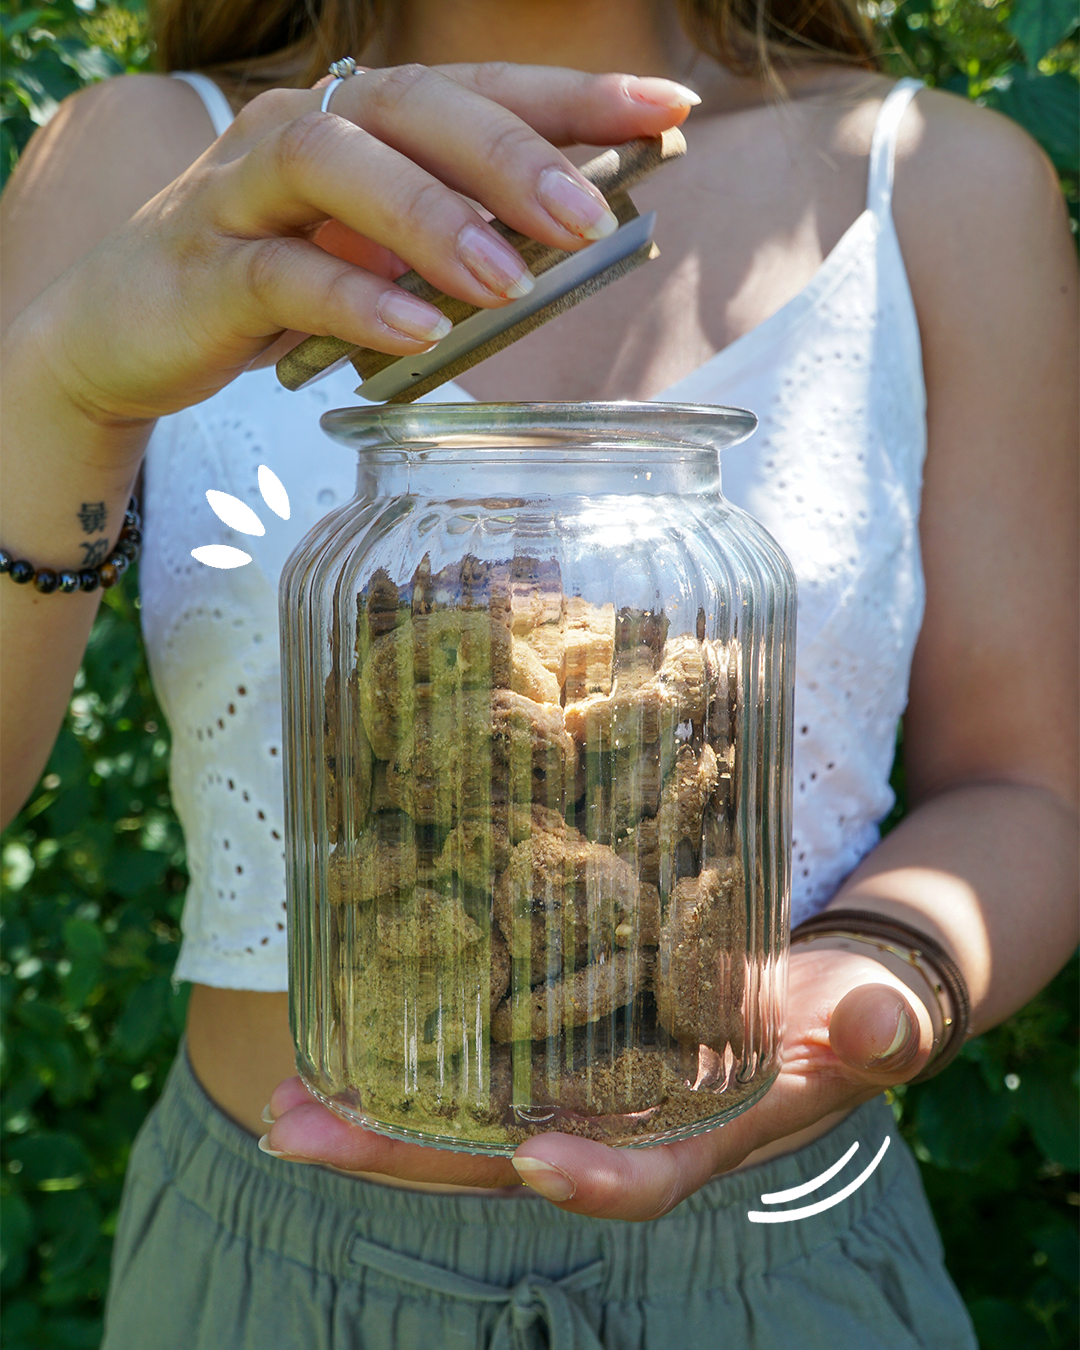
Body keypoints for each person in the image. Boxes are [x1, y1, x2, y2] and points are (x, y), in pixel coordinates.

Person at [1, 0, 1078, 1344]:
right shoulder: (141, 162)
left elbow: (1028, 788)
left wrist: (873, 987)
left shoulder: (944, 181)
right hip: (258, 1270)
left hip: (789, 1269)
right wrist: (60, 393)